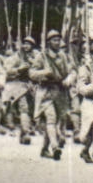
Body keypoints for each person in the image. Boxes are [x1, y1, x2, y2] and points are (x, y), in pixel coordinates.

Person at [28, 31, 72, 160]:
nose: (57, 43)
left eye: (58, 40)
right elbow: (31, 73)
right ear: (48, 42)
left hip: (59, 92)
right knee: (51, 118)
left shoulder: (63, 56)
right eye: (54, 40)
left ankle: (44, 149)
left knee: (54, 121)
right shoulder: (41, 56)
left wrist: (68, 79)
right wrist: (44, 73)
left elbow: (71, 71)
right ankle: (54, 146)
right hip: (45, 91)